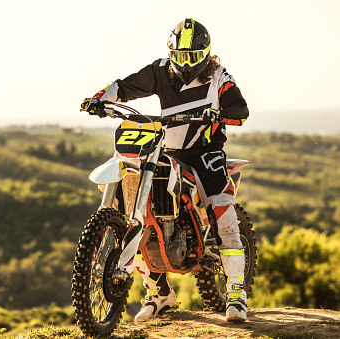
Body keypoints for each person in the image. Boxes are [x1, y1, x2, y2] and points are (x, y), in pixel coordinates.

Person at [82, 18, 249, 322]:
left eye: (192, 57)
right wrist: (99, 98)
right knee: (139, 212)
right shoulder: (160, 71)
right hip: (165, 150)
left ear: (205, 54)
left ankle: (237, 292)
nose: (186, 63)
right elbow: (126, 87)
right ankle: (159, 294)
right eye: (181, 56)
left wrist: (223, 112)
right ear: (172, 52)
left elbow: (239, 107)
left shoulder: (219, 77)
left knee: (223, 210)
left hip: (205, 153)